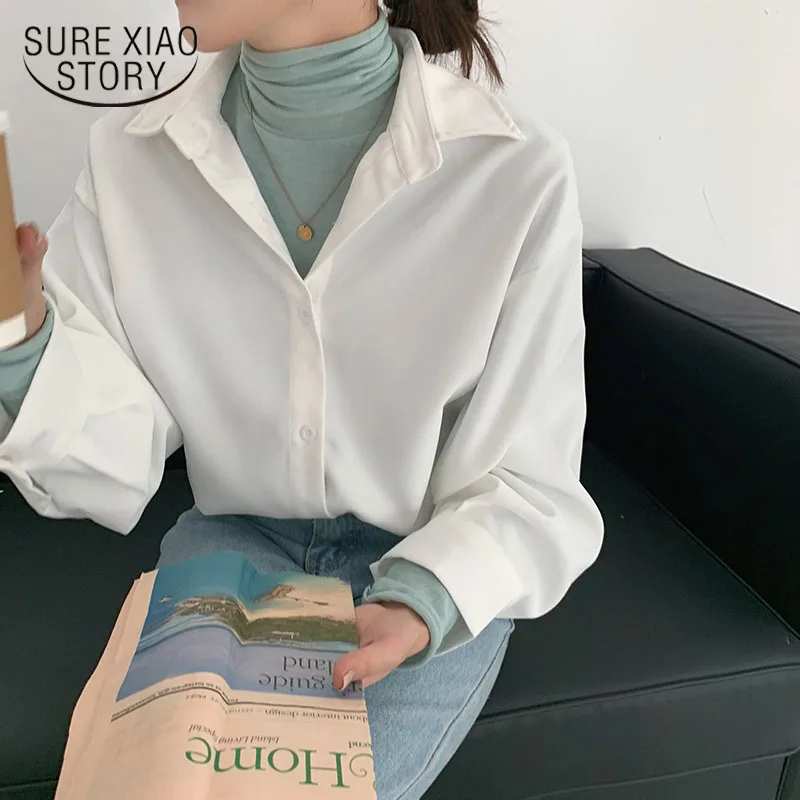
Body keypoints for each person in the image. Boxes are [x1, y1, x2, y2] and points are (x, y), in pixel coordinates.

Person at [0, 0, 604, 796]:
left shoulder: (511, 169)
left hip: (429, 559)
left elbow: (529, 475)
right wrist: (21, 342)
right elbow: (110, 457)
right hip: (232, 544)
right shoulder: (130, 159)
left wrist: (424, 601)